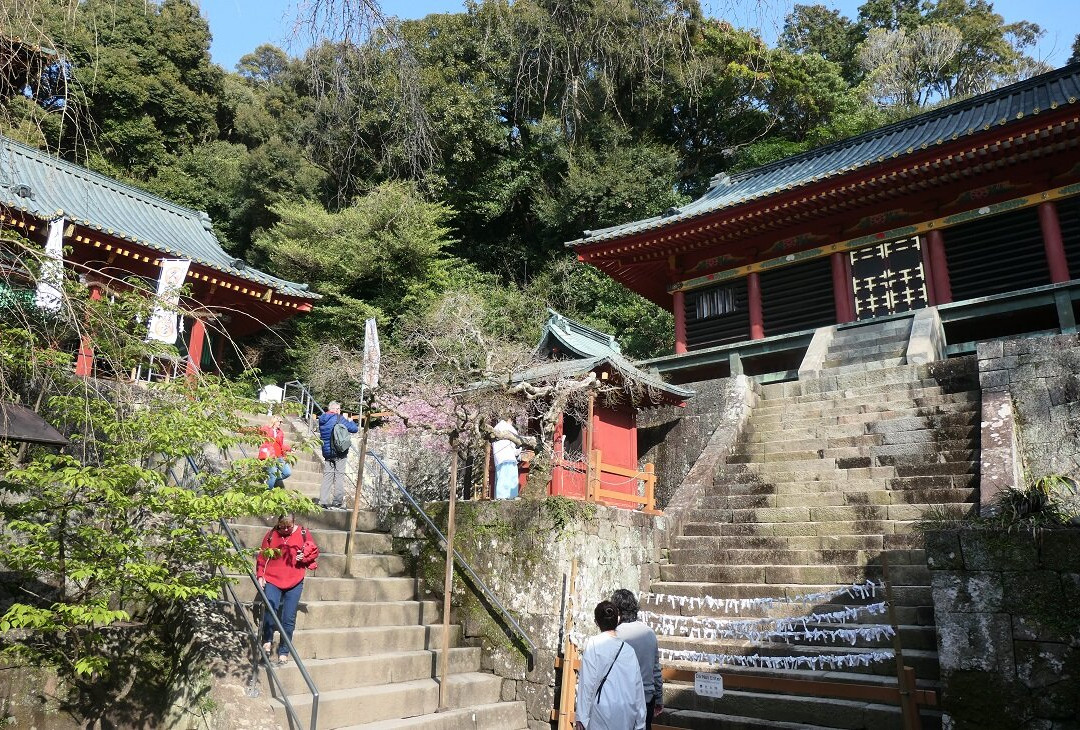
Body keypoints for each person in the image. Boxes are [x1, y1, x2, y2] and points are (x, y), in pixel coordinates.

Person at [256, 514, 319, 665]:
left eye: (288, 527)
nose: (285, 529)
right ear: (277, 524)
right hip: (272, 579)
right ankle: (267, 642)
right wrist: (260, 575)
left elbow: (313, 552)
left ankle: (284, 650)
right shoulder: (271, 534)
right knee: (271, 610)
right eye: (282, 526)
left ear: (294, 522)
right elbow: (262, 556)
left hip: (295, 580)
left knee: (288, 618)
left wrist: (303, 557)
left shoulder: (303, 533)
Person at [575, 601, 646, 730]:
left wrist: (582, 716)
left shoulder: (594, 644)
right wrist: (641, 721)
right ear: (618, 620)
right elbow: (638, 687)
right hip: (626, 712)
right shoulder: (629, 650)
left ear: (596, 622)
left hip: (601, 711)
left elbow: (587, 682)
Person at [611, 589, 663, 729]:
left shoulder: (615, 635)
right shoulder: (649, 633)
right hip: (647, 697)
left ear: (617, 611)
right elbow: (656, 669)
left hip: (622, 698)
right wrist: (659, 698)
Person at [318, 401, 358, 510]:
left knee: (327, 476)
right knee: (339, 476)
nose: (340, 411)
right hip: (339, 451)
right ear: (335, 409)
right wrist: (351, 421)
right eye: (339, 409)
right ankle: (337, 502)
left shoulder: (322, 419)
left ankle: (323, 501)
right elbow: (354, 429)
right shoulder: (339, 418)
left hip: (327, 452)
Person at [258, 415, 292, 489]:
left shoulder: (280, 432)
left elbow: (281, 445)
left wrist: (289, 449)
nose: (280, 423)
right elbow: (258, 433)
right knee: (272, 475)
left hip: (279, 456)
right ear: (274, 421)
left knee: (287, 473)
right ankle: (267, 491)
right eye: (279, 422)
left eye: (281, 422)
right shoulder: (266, 429)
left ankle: (271, 481)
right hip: (270, 457)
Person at [492, 416, 521, 499]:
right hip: (509, 455)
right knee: (511, 477)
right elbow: (515, 444)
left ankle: (501, 496)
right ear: (510, 419)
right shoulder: (511, 429)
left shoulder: (496, 428)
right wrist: (518, 452)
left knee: (501, 477)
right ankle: (511, 495)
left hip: (499, 457)